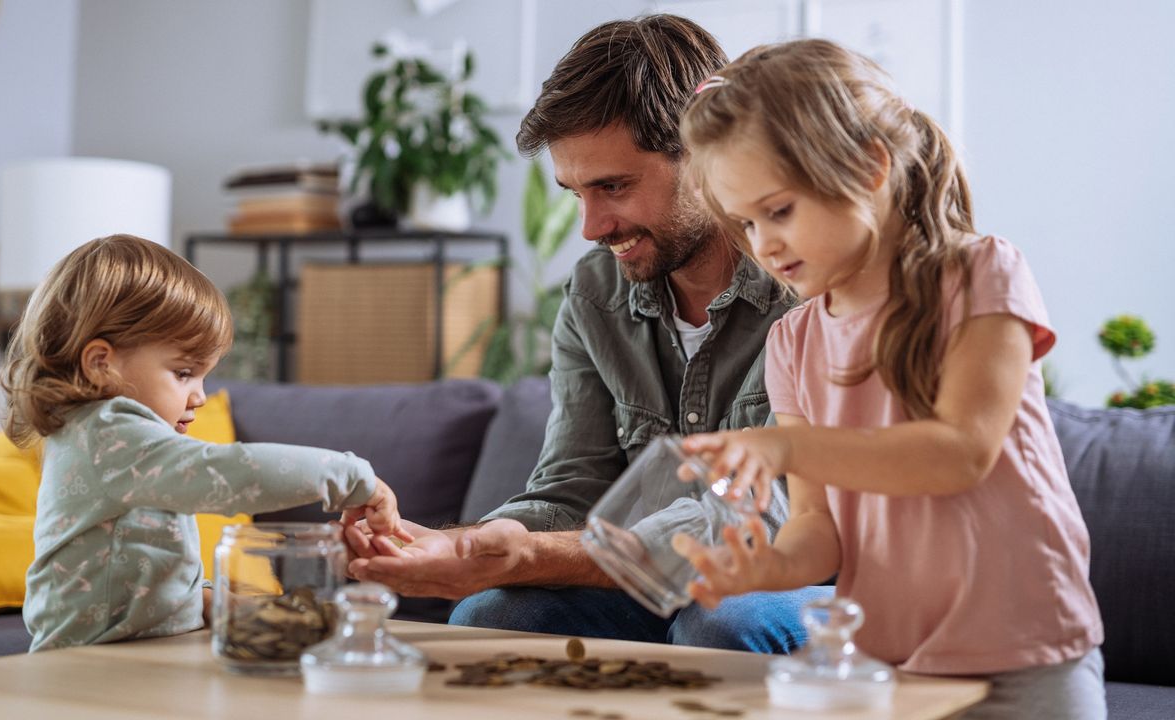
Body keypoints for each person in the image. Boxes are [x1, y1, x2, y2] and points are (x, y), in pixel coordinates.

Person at [346, 15, 831, 653]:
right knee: (493, 617)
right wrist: (463, 544)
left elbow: (768, 520)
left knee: (721, 623)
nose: (592, 225)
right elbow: (573, 485)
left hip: (796, 573)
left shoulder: (810, 289)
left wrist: (528, 557)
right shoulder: (595, 293)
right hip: (645, 585)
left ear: (707, 156)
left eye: (614, 186)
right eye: (575, 192)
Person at [674, 39, 1105, 717]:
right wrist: (768, 568)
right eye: (745, 223)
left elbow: (960, 453)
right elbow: (817, 528)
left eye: (779, 211)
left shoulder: (981, 275)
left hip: (1028, 652)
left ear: (869, 166)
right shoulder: (792, 341)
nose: (763, 245)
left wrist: (784, 448)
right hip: (887, 664)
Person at [0, 234, 409, 651]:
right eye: (182, 373)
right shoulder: (108, 433)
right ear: (102, 364)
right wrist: (352, 477)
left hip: (140, 653)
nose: (199, 396)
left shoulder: (120, 445)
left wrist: (209, 600)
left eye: (203, 376)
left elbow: (140, 560)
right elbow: (231, 472)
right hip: (85, 666)